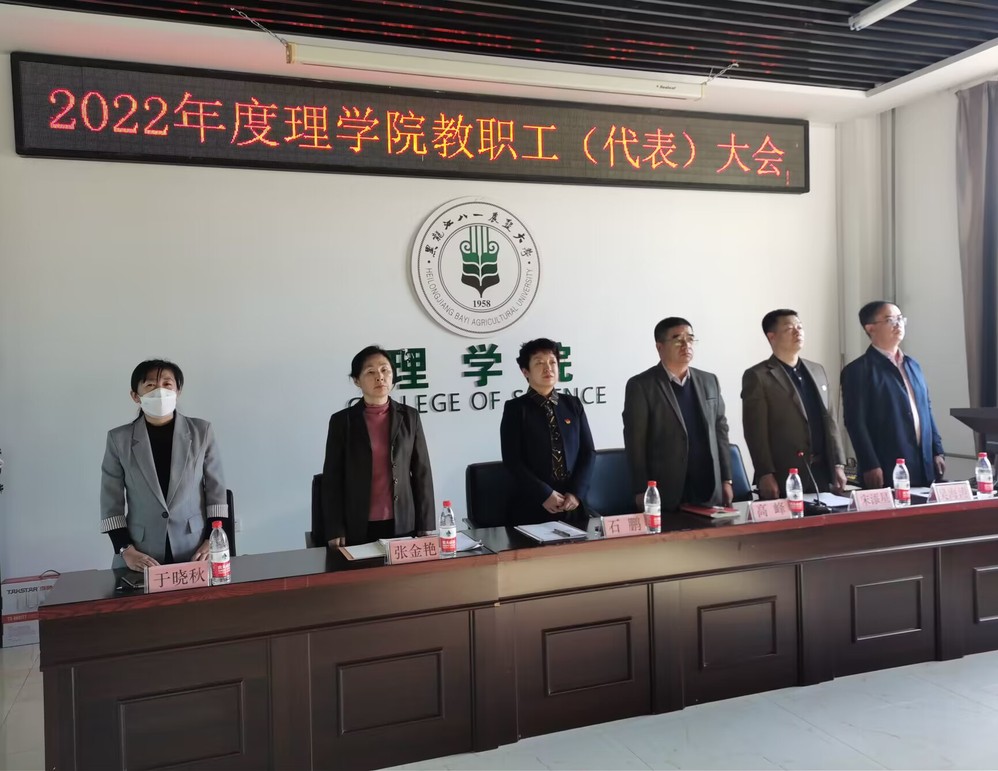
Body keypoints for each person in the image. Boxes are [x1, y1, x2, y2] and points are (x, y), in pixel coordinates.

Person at [100, 359, 228, 570]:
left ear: (178, 391)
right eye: (150, 385)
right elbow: (110, 503)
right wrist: (125, 550)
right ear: (135, 396)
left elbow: (216, 492)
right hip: (140, 552)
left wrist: (210, 540)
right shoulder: (118, 439)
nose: (160, 391)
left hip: (195, 548)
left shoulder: (201, 432)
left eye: (167, 384)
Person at [322, 345, 435, 546]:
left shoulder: (410, 417)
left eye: (385, 370)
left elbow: (422, 473)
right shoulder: (342, 422)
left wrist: (426, 524)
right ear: (356, 380)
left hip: (403, 522)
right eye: (370, 372)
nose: (380, 377)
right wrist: (334, 528)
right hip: (357, 524)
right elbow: (333, 479)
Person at [623, 317, 732, 512]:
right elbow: (635, 443)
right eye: (677, 339)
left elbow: (720, 432)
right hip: (666, 488)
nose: (686, 345)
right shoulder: (642, 385)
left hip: (708, 486)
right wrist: (641, 489)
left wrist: (726, 479)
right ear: (660, 347)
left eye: (690, 339)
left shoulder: (709, 381)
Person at [742, 309, 847, 498]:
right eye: (790, 328)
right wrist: (765, 473)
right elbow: (755, 432)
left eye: (800, 327)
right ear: (772, 336)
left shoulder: (817, 370)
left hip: (822, 470)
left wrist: (838, 464)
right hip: (785, 473)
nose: (798, 332)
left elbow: (830, 419)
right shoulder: (758, 376)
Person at [841, 301, 945, 489]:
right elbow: (855, 422)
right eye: (890, 320)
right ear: (870, 328)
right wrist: (870, 464)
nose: (898, 324)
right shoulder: (858, 370)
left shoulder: (913, 365)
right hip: (886, 465)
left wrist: (937, 450)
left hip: (924, 462)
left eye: (900, 319)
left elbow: (926, 409)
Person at [500, 338, 596, 525]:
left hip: (572, 504)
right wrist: (544, 494)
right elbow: (512, 460)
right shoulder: (516, 409)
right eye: (539, 363)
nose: (548, 368)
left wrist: (576, 493)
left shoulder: (573, 404)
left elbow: (588, 452)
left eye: (552, 362)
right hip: (533, 504)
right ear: (525, 372)